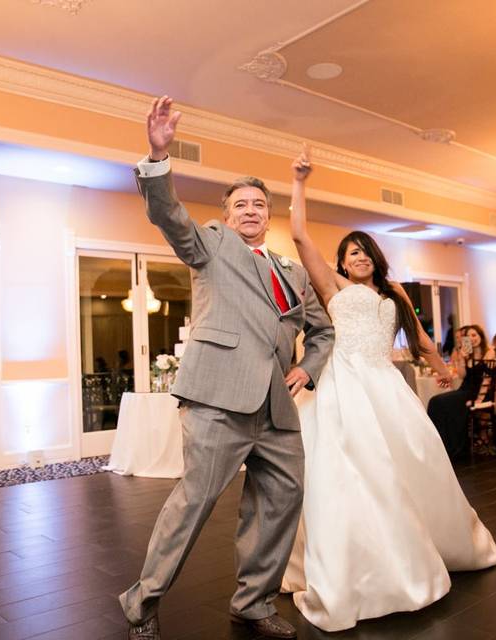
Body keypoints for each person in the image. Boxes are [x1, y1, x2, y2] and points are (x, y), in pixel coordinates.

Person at [119, 97, 334, 640]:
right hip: (217, 399)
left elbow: (324, 330)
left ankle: (254, 603)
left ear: (269, 213)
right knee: (193, 505)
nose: (250, 211)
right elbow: (168, 214)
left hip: (278, 409)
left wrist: (307, 367)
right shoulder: (211, 246)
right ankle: (142, 603)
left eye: (259, 204)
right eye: (240, 203)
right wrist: (158, 154)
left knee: (281, 503)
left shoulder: (291, 271)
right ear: (228, 212)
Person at [280, 147, 496, 632]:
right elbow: (299, 234)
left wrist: (442, 367)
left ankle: (429, 544)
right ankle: (363, 563)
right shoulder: (333, 288)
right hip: (342, 384)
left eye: (364, 250)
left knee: (412, 464)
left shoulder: (396, 292)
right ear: (340, 263)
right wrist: (300, 181)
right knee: (355, 472)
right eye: (350, 252)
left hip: (385, 384)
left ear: (375, 257)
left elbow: (419, 339)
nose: (358, 256)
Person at [429, 324, 493, 459]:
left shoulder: (489, 352)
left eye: (474, 335)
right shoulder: (466, 354)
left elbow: (487, 380)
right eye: (468, 336)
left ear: (480, 336)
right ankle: (440, 445)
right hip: (464, 389)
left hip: (478, 393)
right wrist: (462, 358)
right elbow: (462, 376)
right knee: (435, 401)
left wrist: (478, 400)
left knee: (441, 402)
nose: (472, 338)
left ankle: (454, 446)